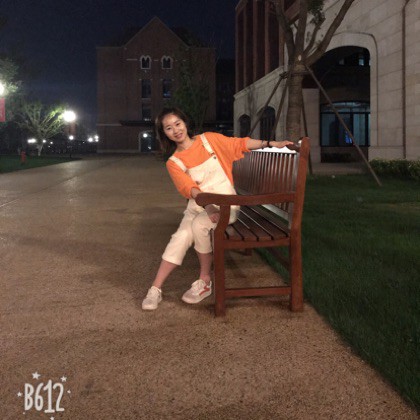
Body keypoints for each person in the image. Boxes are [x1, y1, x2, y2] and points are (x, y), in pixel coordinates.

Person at [142, 107, 293, 310]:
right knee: (180, 237)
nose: (176, 130)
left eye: (178, 124)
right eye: (168, 128)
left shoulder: (209, 140)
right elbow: (189, 188)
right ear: (164, 134)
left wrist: (271, 143)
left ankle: (205, 281)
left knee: (199, 225)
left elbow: (240, 143)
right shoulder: (174, 162)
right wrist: (209, 206)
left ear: (185, 122)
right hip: (200, 205)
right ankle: (155, 289)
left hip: (226, 204)